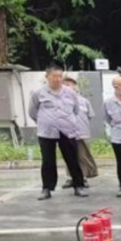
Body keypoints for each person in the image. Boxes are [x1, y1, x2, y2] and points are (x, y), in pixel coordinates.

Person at [28, 66, 87, 200]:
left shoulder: (70, 92)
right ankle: (47, 188)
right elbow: (32, 112)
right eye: (54, 76)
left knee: (72, 159)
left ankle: (78, 185)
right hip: (47, 132)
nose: (58, 79)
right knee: (48, 160)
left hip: (67, 130)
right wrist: (46, 121)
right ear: (47, 77)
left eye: (60, 76)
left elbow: (76, 110)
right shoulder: (38, 93)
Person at [61, 75, 97, 188]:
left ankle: (83, 177)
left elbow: (90, 115)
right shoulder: (60, 101)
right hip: (66, 133)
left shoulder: (84, 101)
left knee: (83, 156)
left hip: (82, 132)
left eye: (70, 84)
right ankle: (71, 177)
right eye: (65, 85)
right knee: (69, 156)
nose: (68, 87)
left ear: (75, 86)